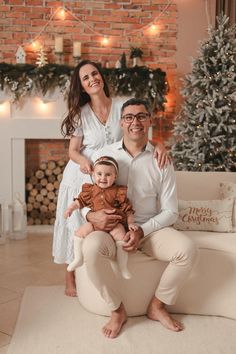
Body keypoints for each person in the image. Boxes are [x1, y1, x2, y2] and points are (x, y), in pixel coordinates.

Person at [80, 98, 198, 338]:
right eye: (129, 117)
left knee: (187, 249)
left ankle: (157, 305)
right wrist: (90, 214)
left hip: (149, 229)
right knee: (90, 250)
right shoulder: (104, 155)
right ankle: (117, 310)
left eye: (141, 116)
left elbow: (171, 211)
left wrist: (142, 230)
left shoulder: (161, 160)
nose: (135, 121)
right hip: (110, 228)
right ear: (121, 122)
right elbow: (84, 193)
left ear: (149, 121)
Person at [52, 60, 170, 297]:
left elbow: (137, 129)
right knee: (77, 225)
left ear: (101, 77)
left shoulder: (120, 106)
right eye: (85, 78)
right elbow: (73, 150)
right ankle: (71, 275)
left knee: (109, 220)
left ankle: (106, 268)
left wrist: (160, 144)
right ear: (82, 86)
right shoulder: (80, 114)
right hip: (82, 175)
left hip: (111, 174)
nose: (92, 79)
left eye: (94, 74)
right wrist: (84, 162)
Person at [64, 155, 138, 279]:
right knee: (79, 233)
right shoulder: (90, 190)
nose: (103, 178)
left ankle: (122, 266)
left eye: (108, 175)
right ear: (93, 175)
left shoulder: (118, 191)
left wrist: (130, 223)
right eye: (99, 174)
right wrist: (70, 209)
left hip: (115, 223)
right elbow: (79, 202)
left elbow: (128, 210)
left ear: (115, 176)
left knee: (121, 237)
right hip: (95, 223)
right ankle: (78, 258)